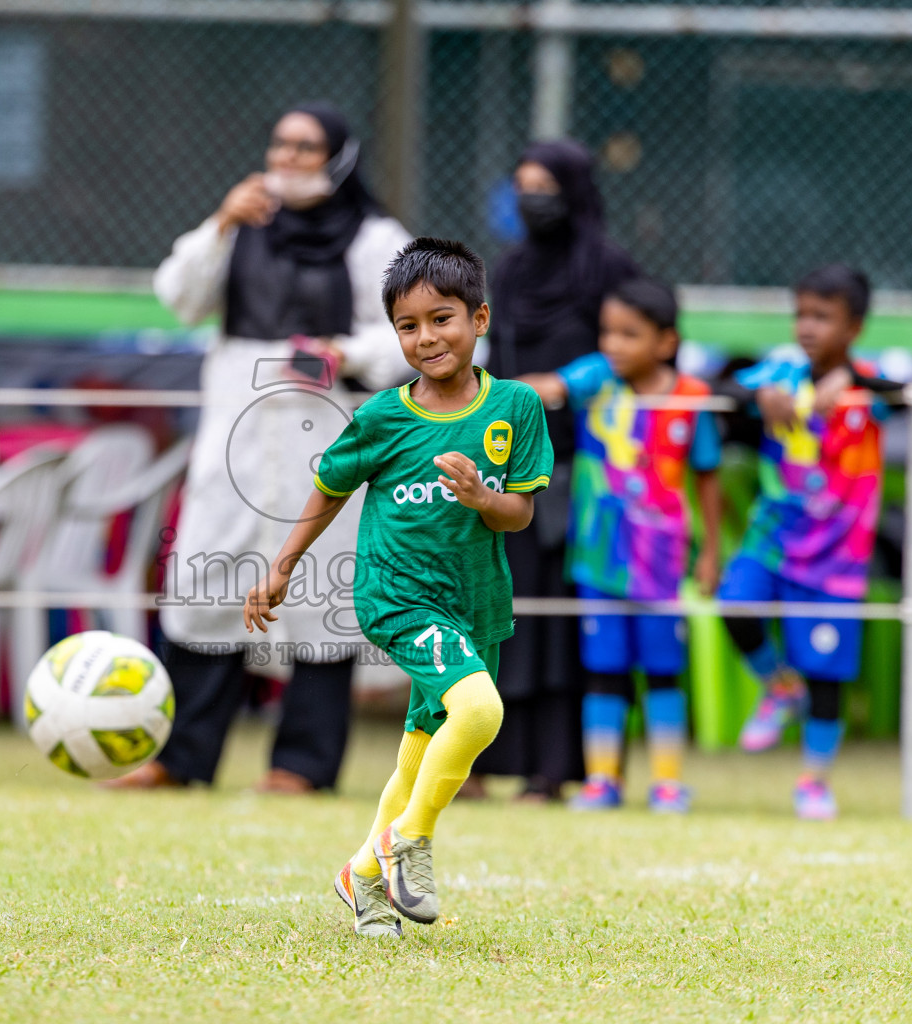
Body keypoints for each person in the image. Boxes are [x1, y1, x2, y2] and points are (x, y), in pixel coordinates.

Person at [245, 238, 552, 936]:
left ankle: (362, 878)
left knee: (422, 744)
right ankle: (405, 842)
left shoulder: (516, 407)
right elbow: (328, 488)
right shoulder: (384, 416)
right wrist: (283, 565)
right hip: (398, 596)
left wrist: (480, 497)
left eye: (440, 319)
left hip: (475, 600)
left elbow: (521, 511)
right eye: (407, 327)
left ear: (479, 318)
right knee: (479, 712)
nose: (425, 337)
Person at [119, 103, 413, 794]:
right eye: (280, 143)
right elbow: (179, 297)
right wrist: (221, 223)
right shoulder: (244, 222)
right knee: (206, 581)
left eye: (306, 147)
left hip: (326, 431)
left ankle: (301, 766)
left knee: (320, 592)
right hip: (237, 432)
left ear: (338, 158)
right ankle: (182, 758)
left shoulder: (374, 238)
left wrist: (347, 352)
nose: (288, 158)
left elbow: (414, 331)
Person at [473, 140, 641, 801]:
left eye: (545, 185)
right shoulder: (509, 272)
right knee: (498, 613)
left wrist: (566, 385)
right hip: (508, 463)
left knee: (565, 624)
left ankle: (555, 769)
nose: (530, 198)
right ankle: (482, 762)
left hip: (585, 474)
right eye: (521, 185)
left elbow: (634, 349)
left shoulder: (609, 269)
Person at [522, 279, 722, 814]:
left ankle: (666, 783)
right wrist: (486, 393)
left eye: (629, 334)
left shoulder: (693, 399)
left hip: (663, 565)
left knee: (662, 671)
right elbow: (549, 388)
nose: (613, 344)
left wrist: (711, 551)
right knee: (604, 670)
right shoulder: (594, 378)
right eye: (608, 331)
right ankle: (602, 781)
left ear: (666, 342)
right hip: (598, 559)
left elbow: (706, 476)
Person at [714, 264, 897, 820]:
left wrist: (854, 383)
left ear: (855, 327)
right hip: (771, 537)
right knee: (735, 605)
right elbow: (721, 387)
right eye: (801, 314)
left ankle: (814, 782)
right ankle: (778, 685)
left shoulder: (869, 383)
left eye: (823, 317)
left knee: (828, 674)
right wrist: (759, 391)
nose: (808, 327)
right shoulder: (780, 369)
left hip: (838, 556)